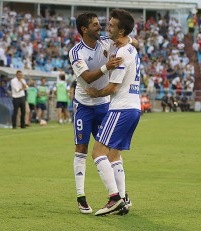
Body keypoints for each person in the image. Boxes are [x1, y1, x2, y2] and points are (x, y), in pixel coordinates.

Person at [69, 12, 135, 214]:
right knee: (81, 150)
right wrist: (107, 66)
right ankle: (81, 196)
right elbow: (87, 77)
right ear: (84, 29)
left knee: (111, 150)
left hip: (104, 104)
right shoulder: (76, 52)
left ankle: (120, 196)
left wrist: (129, 38)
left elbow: (126, 40)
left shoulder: (106, 42)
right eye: (96, 25)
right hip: (84, 105)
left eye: (100, 24)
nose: (101, 27)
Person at [86, 8, 141, 216]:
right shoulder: (131, 49)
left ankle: (114, 198)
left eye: (111, 26)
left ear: (121, 31)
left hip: (120, 109)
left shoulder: (120, 54)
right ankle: (124, 198)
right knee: (115, 155)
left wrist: (94, 93)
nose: (107, 27)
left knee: (98, 153)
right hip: (134, 108)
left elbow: (112, 89)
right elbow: (134, 42)